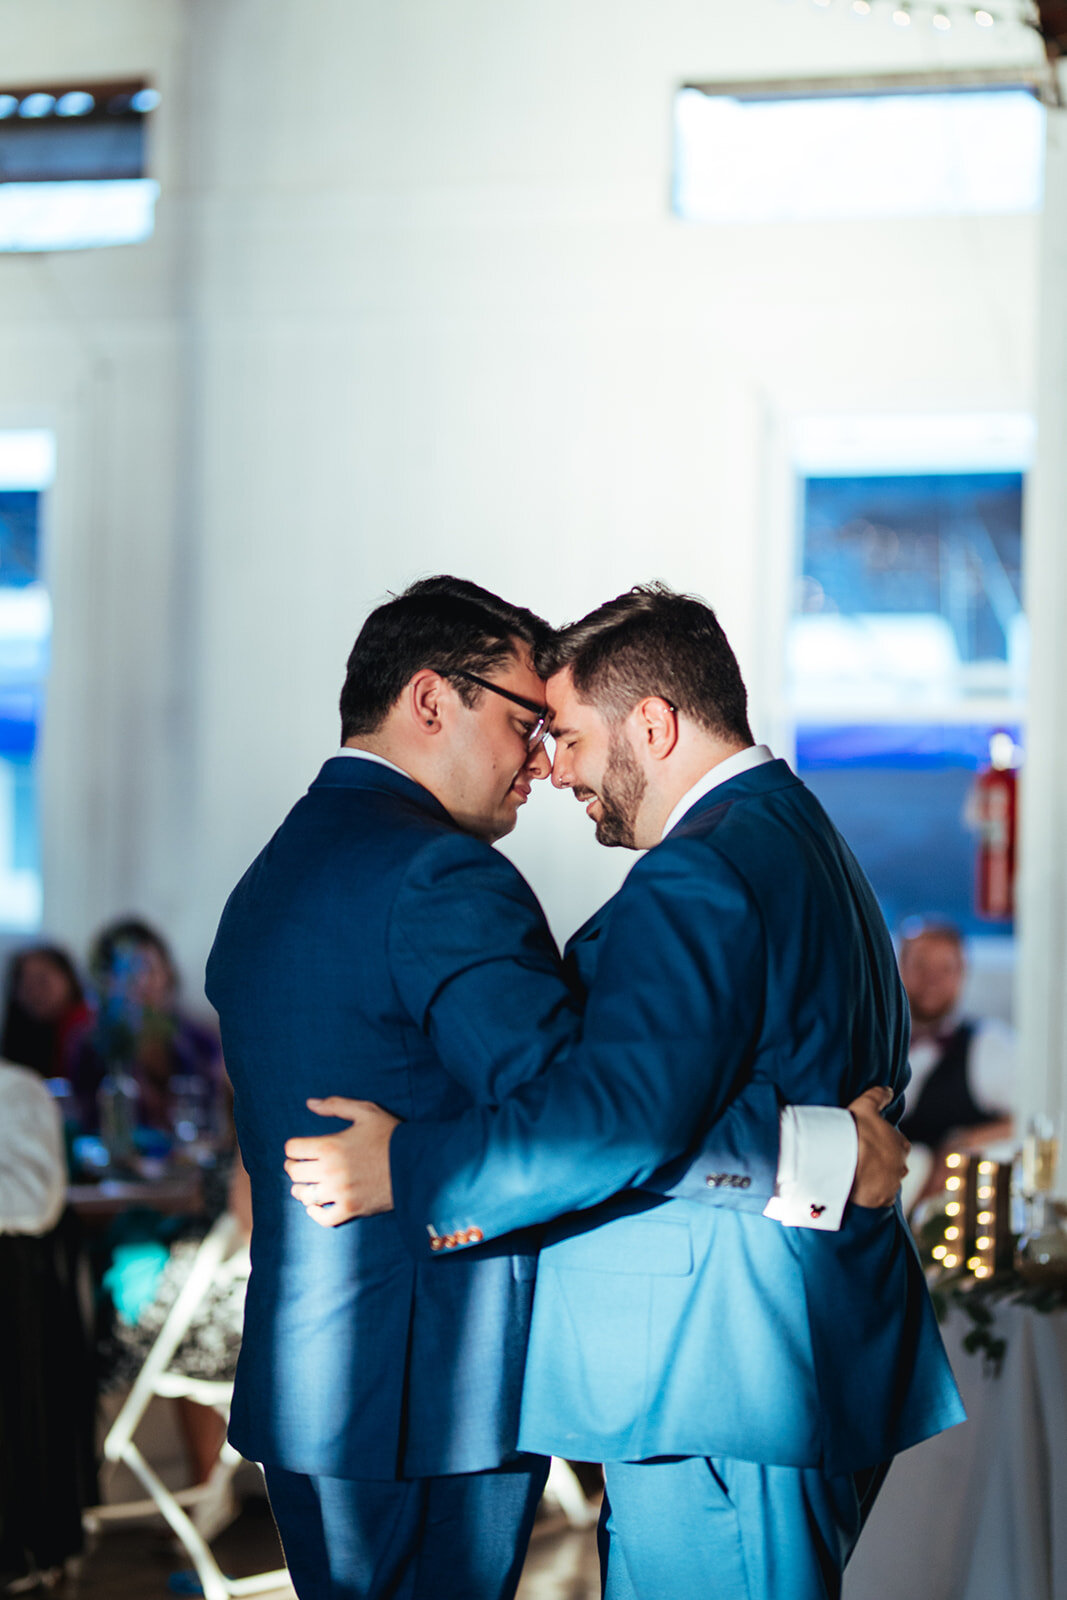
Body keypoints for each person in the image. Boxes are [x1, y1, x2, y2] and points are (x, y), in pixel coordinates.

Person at [207, 577, 906, 1600]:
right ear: (430, 699)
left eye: (557, 731)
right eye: (526, 721)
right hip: (425, 1387)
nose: (540, 761)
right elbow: (595, 1105)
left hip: (315, 1378)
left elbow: (609, 1103)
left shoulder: (277, 869)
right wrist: (822, 1154)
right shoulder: (439, 877)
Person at [897, 920, 1015, 1209]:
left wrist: (962, 1144)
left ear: (962, 975)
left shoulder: (989, 1044)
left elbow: (1029, 1118)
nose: (932, 980)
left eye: (945, 969)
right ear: (899, 969)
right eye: (921, 966)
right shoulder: (869, 1042)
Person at [70, 917, 223, 1139]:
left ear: (167, 973)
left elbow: (215, 1121)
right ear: (104, 981)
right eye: (125, 971)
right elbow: (86, 1126)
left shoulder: (201, 1043)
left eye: (149, 968)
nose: (140, 982)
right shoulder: (91, 1046)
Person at [0, 943, 91, 1080]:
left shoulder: (85, 1028)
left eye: (43, 982)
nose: (35, 993)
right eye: (27, 986)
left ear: (68, 979)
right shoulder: (23, 1034)